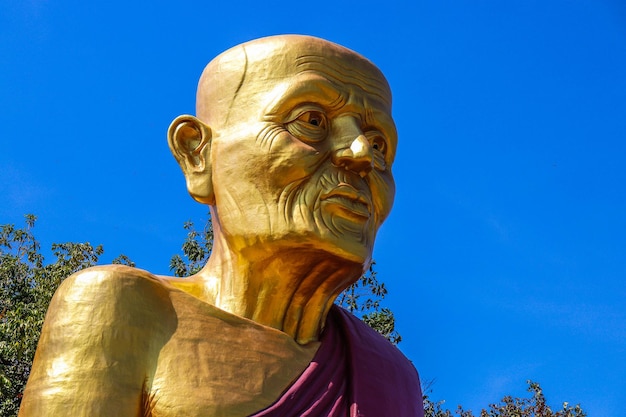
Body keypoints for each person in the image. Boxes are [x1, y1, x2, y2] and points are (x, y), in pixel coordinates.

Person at [19, 35, 424, 416]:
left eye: (378, 144)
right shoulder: (124, 310)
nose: (360, 155)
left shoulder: (390, 373)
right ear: (198, 154)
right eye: (311, 120)